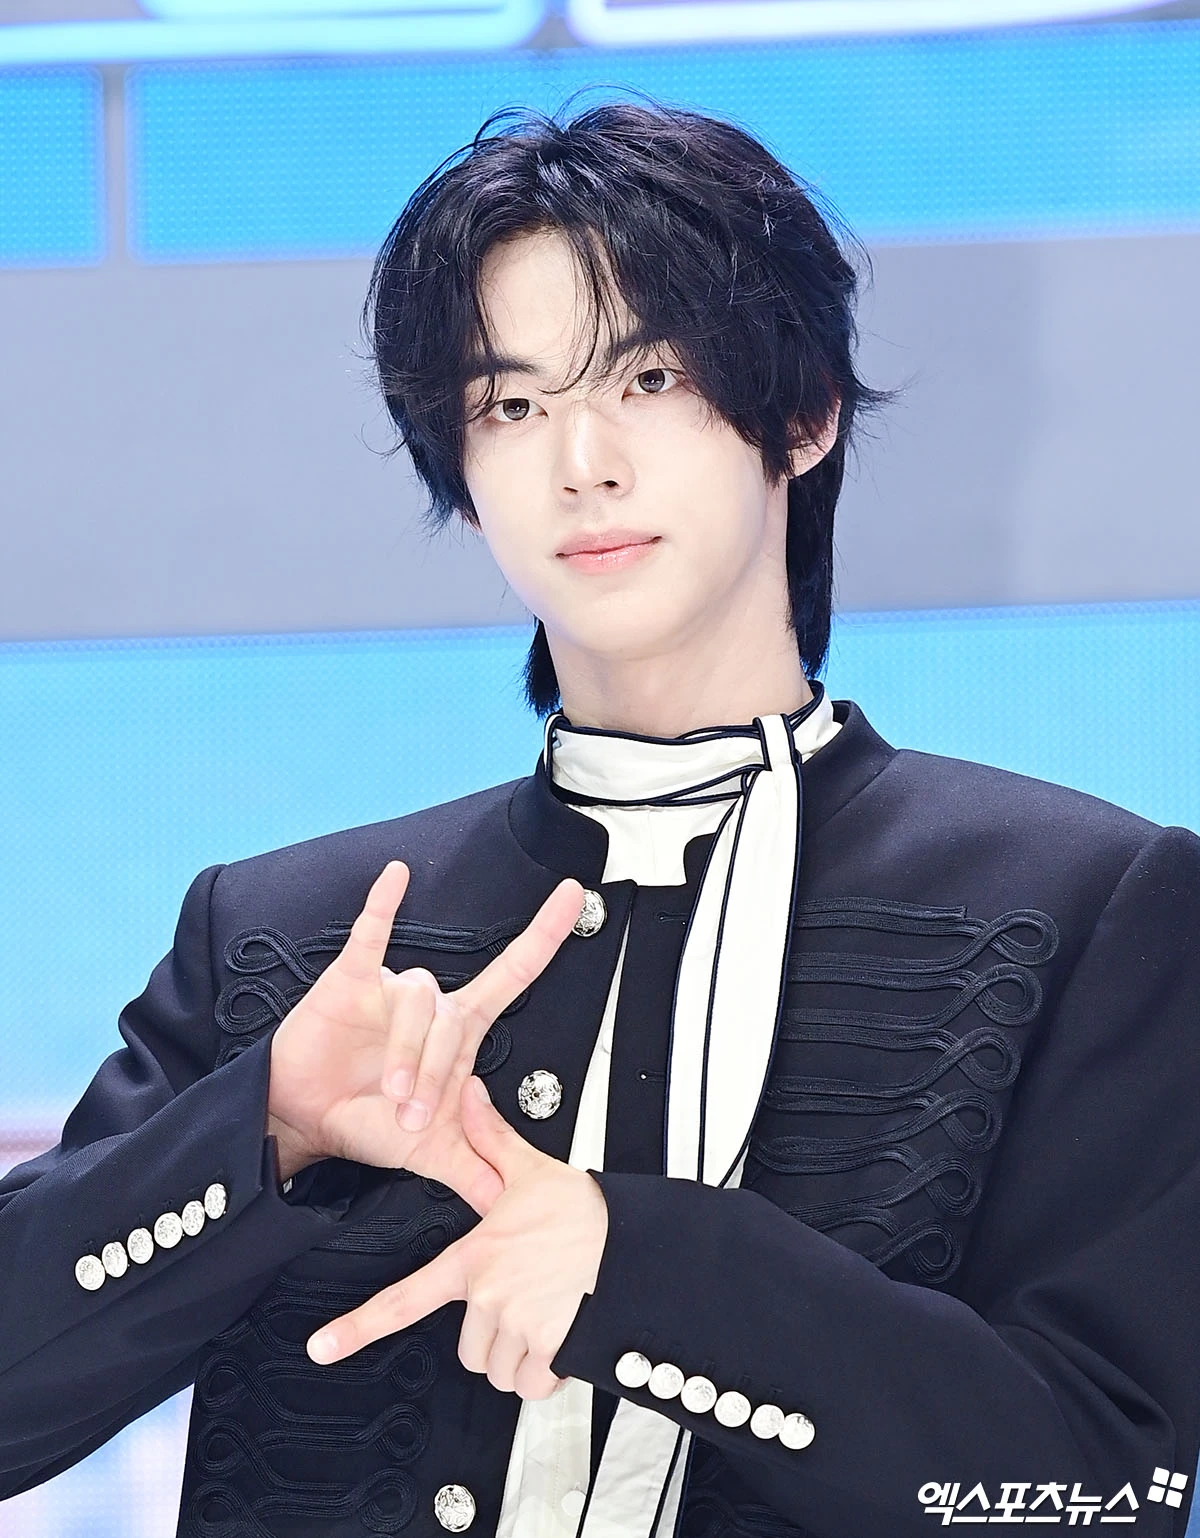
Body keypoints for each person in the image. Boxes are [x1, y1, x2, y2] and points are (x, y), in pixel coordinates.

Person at [2, 91, 1199, 1538]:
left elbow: (1100, 1492)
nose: (583, 462)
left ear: (803, 413)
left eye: (648, 377)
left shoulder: (1088, 906)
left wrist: (647, 1271)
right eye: (511, 405)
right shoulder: (285, 935)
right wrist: (265, 1128)